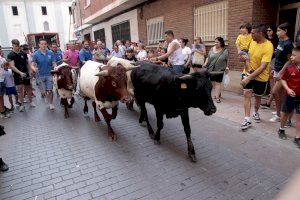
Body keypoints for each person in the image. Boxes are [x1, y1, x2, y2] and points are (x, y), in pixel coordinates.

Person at [240, 24, 274, 130]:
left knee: (258, 97)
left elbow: (263, 67)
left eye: (253, 33)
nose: (251, 35)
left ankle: (255, 112)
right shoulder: (252, 42)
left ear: (261, 34)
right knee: (247, 94)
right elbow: (247, 58)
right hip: (248, 71)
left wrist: (249, 78)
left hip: (261, 76)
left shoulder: (268, 46)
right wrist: (245, 61)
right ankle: (247, 119)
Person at [264, 23, 294, 123]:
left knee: (274, 91)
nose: (277, 32)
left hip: (283, 72)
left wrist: (281, 71)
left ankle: (278, 115)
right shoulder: (280, 41)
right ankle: (280, 112)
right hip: (277, 69)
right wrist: (274, 69)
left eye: (279, 30)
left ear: (285, 31)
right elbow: (278, 56)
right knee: (280, 94)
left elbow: (290, 60)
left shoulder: (288, 44)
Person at [277, 46, 300, 148]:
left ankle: (297, 137)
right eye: (292, 55)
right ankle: (281, 129)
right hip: (289, 96)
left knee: (299, 117)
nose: (292, 57)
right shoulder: (289, 68)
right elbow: (283, 79)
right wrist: (288, 89)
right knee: (285, 114)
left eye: (294, 55)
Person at [7, 39, 35, 112]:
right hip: (17, 75)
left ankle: (31, 102)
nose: (17, 47)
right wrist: (20, 73)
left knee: (28, 88)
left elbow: (27, 63)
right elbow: (12, 66)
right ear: (12, 45)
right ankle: (22, 105)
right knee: (20, 90)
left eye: (18, 46)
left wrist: (30, 71)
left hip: (25, 73)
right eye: (15, 46)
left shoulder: (23, 53)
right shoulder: (10, 55)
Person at [31, 39, 57, 110]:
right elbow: (32, 64)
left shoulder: (50, 53)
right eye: (42, 44)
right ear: (39, 45)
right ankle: (45, 96)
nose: (43, 45)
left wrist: (55, 66)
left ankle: (51, 103)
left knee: (50, 90)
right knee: (44, 91)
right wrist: (34, 68)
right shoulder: (36, 54)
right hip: (40, 75)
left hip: (49, 74)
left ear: (46, 45)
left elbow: (54, 62)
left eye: (45, 44)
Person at [203, 37, 228, 103]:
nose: (215, 43)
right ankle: (216, 94)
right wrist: (205, 63)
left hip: (220, 70)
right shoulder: (212, 49)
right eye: (215, 42)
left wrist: (227, 67)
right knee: (212, 83)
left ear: (221, 43)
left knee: (218, 83)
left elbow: (227, 59)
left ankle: (217, 97)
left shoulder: (225, 50)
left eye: (217, 42)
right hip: (211, 69)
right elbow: (208, 57)